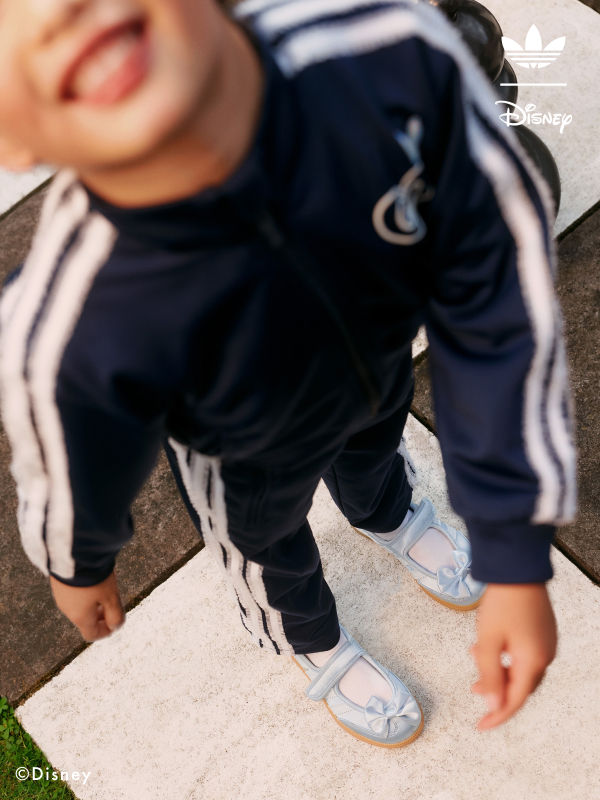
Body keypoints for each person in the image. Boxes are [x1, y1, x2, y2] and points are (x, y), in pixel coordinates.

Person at [0, 0, 575, 747]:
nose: (57, 10)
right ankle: (305, 633)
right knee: (263, 547)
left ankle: (386, 510)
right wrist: (77, 565)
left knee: (376, 439)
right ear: (10, 140)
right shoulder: (67, 319)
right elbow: (71, 462)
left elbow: (498, 294)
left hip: (376, 360)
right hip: (243, 453)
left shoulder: (388, 51)